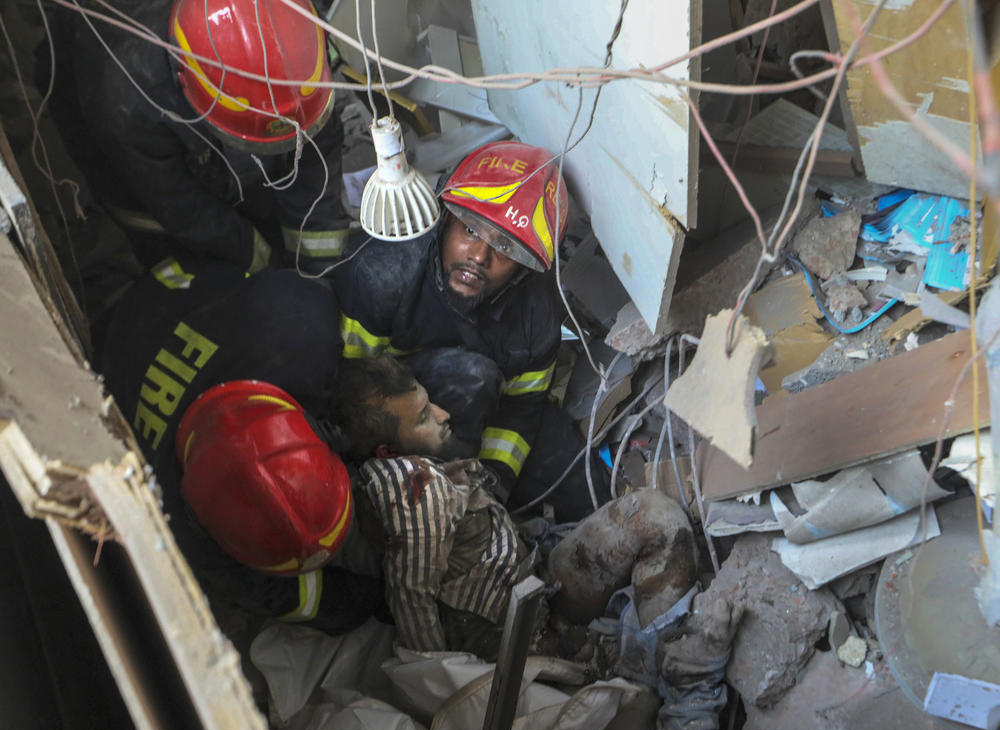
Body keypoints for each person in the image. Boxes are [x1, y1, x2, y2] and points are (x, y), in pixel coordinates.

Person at [332, 355, 698, 657]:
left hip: (533, 581)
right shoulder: (417, 495)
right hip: (515, 638)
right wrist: (444, 680)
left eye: (430, 405)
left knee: (650, 514)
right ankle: (665, 678)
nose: (443, 415)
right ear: (387, 452)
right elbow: (412, 600)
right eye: (425, 417)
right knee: (656, 519)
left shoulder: (419, 465)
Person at [97, 257, 382, 636]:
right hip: (127, 318)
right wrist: (370, 600)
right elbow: (270, 593)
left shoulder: (300, 323)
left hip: (166, 294)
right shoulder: (177, 524)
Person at [333, 140, 610, 522]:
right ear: (444, 220)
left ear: (524, 265)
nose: (479, 256)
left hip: (474, 410)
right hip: (397, 409)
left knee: (585, 485)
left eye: (504, 245)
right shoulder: (382, 275)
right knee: (471, 378)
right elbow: (350, 386)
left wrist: (491, 487)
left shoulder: (536, 319)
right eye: (469, 230)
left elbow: (520, 413)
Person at [45, 0, 350, 275]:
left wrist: (319, 265)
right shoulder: (126, 101)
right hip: (88, 67)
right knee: (165, 239)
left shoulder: (297, 26)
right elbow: (179, 204)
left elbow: (316, 144)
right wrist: (261, 262)